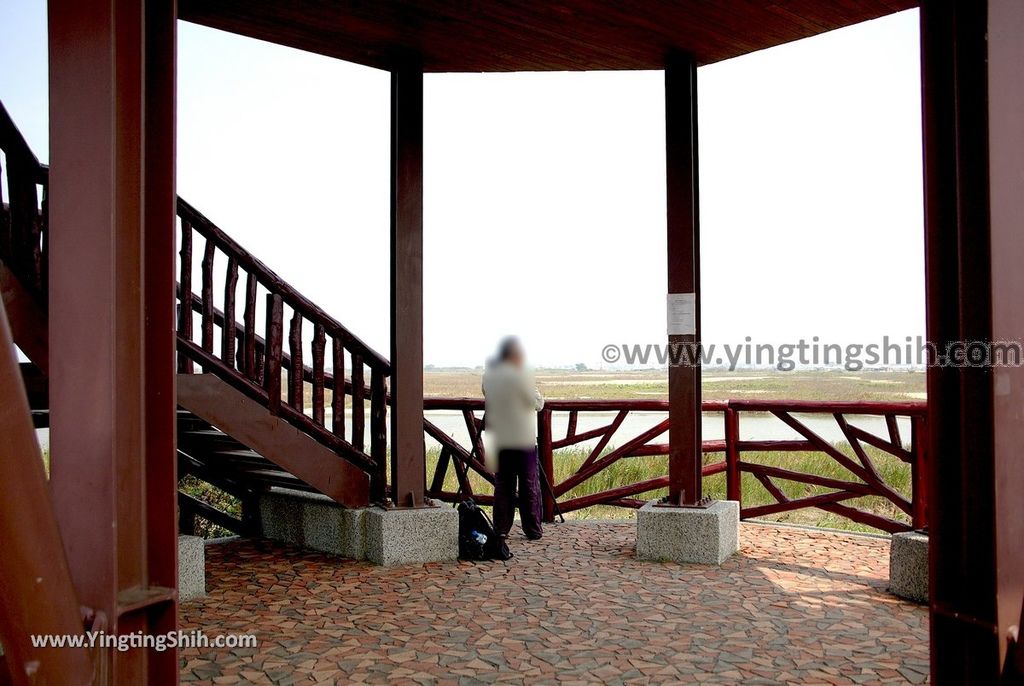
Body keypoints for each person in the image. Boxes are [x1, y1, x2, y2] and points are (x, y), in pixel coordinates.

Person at [482, 337, 545, 540]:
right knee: (528, 485)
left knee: (503, 484)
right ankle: (533, 529)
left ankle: (500, 528)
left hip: (499, 438)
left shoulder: (489, 376)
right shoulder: (521, 376)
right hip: (522, 438)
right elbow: (537, 403)